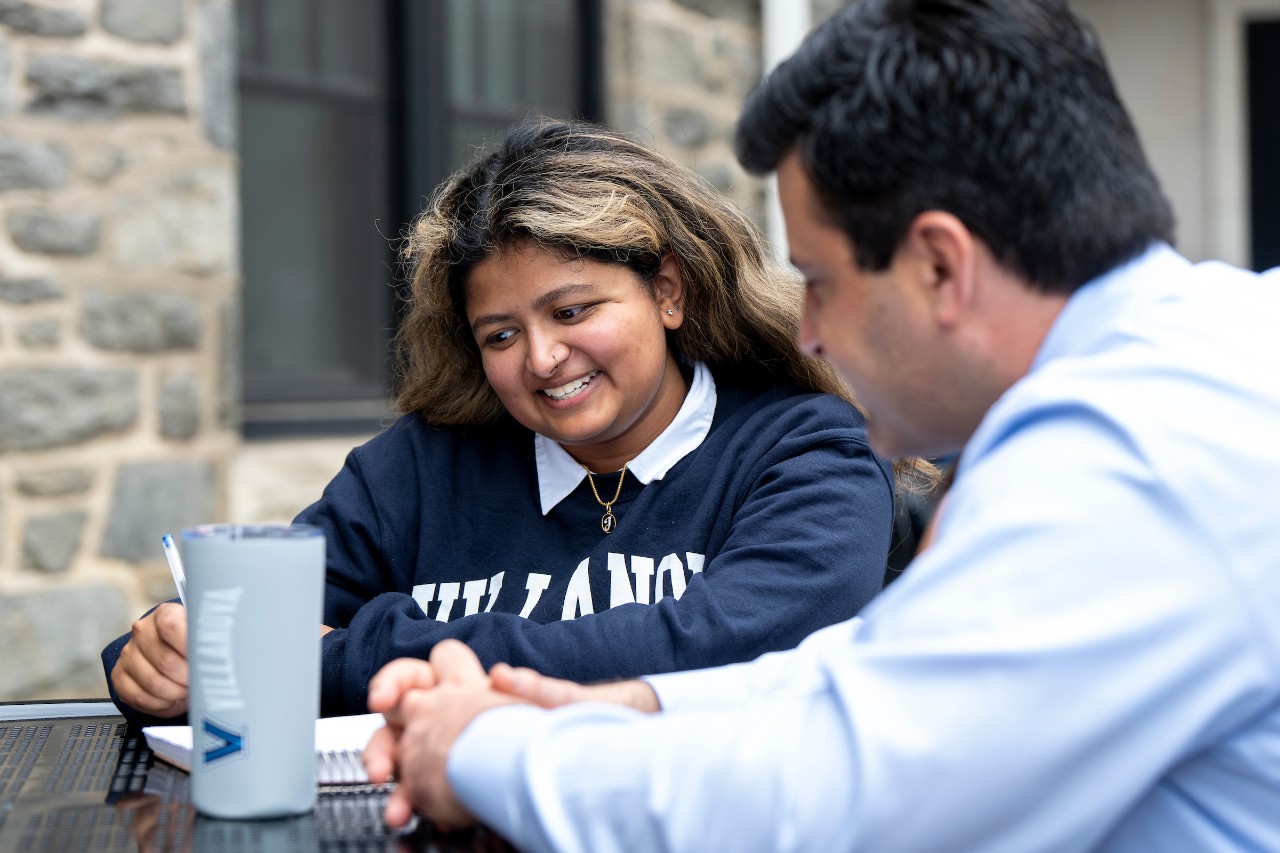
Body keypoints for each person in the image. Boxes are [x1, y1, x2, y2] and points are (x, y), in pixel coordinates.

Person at [359, 1, 1280, 850]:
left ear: (938, 266)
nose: (809, 331)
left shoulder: (1135, 456)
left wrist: (487, 754)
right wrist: (626, 704)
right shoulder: (1194, 367)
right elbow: (894, 672)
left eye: (825, 281)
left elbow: (847, 796)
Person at [102, 118, 905, 723]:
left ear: (668, 289)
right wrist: (157, 656)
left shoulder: (810, 451)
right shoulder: (417, 470)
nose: (543, 357)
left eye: (572, 309)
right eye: (501, 334)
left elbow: (715, 649)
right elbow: (245, 624)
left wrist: (343, 656)